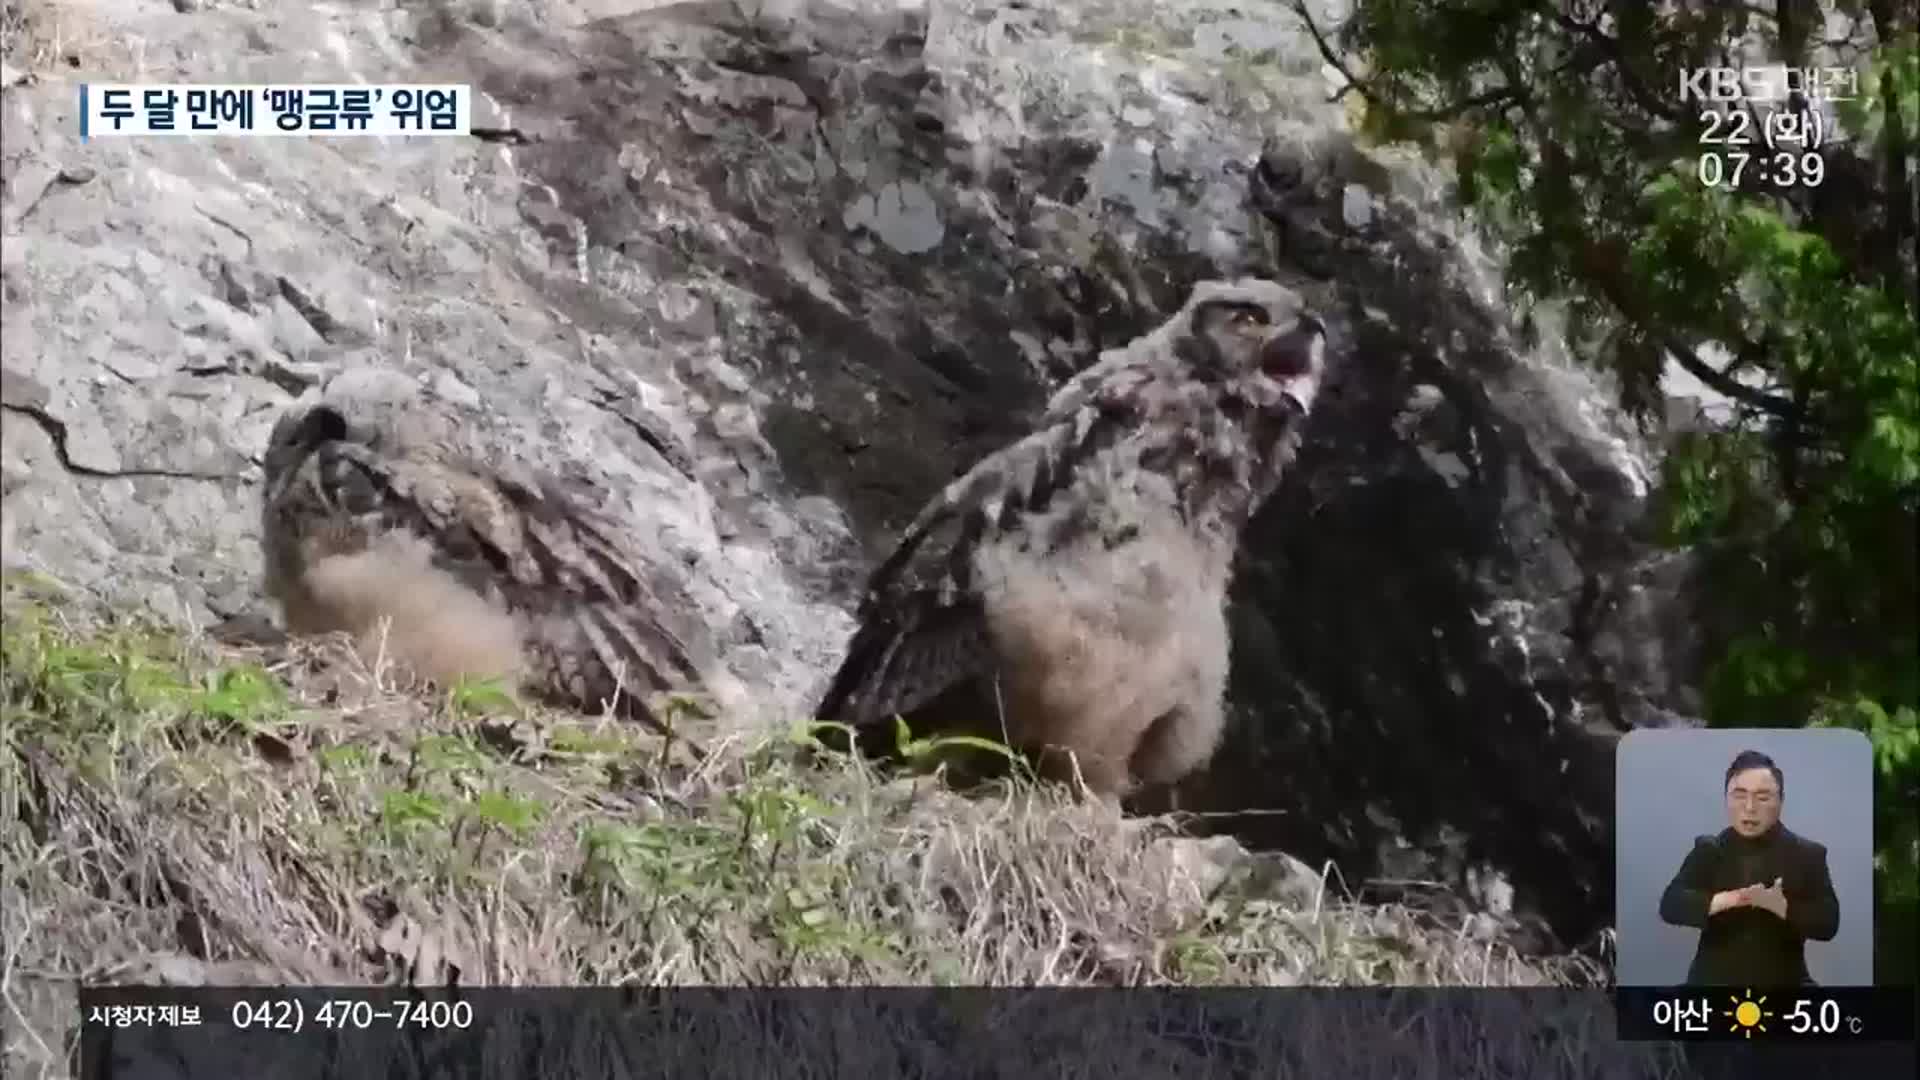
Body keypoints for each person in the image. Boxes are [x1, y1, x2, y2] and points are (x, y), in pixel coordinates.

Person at [1657, 749, 1841, 986]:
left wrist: (1782, 907)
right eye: (1739, 795)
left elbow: (1829, 923)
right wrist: (1730, 899)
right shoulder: (1709, 849)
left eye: (1763, 797)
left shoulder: (1807, 854)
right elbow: (1670, 905)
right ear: (1726, 798)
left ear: (1781, 801)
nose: (1750, 807)